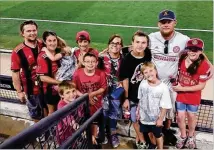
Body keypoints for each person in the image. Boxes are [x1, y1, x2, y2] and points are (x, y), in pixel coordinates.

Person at [149, 9, 213, 135]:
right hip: (154, 82)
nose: (166, 24)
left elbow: (197, 50)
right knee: (154, 110)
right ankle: (155, 132)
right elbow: (134, 47)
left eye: (169, 22)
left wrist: (210, 64)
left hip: (171, 83)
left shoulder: (183, 39)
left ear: (175, 23)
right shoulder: (151, 38)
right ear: (158, 24)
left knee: (170, 110)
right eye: (163, 22)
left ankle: (166, 132)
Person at [173, 38, 210, 149]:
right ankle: (183, 136)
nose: (193, 51)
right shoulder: (182, 59)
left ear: (201, 51)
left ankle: (191, 136)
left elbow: (201, 86)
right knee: (180, 117)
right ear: (187, 50)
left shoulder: (204, 65)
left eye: (196, 49)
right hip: (181, 94)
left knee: (191, 116)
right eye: (190, 49)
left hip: (193, 96)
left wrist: (182, 88)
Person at [119, 30, 152, 149]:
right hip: (133, 95)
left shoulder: (148, 54)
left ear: (147, 44)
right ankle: (142, 141)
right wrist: (126, 98)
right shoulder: (127, 59)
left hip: (147, 95)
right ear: (132, 43)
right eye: (137, 42)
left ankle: (139, 138)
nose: (140, 45)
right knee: (134, 119)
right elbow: (125, 80)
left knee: (145, 118)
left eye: (143, 42)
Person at [11, 20, 45, 122]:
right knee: (36, 115)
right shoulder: (18, 51)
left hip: (46, 88)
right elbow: (15, 73)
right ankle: (40, 135)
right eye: (28, 31)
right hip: (31, 91)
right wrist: (19, 92)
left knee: (48, 113)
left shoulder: (42, 44)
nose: (32, 33)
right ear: (22, 33)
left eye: (34, 30)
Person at [72, 52, 107, 145]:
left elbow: (103, 88)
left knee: (96, 124)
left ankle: (95, 140)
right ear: (83, 62)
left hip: (96, 104)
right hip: (82, 105)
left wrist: (91, 94)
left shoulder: (101, 73)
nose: (90, 64)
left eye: (92, 62)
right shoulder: (77, 73)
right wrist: (85, 97)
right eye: (87, 61)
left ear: (96, 63)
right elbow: (74, 89)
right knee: (84, 124)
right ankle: (86, 141)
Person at [136, 62, 172, 149]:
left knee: (158, 135)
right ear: (143, 75)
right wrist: (138, 111)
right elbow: (140, 99)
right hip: (144, 117)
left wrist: (160, 119)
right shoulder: (143, 84)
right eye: (146, 72)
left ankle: (160, 148)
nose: (149, 74)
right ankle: (153, 145)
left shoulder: (163, 87)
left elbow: (165, 106)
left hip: (156, 119)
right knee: (149, 132)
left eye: (151, 71)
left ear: (156, 71)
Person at [99, 34, 123, 148]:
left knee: (113, 113)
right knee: (103, 112)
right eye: (113, 43)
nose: (115, 45)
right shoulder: (101, 57)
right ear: (109, 45)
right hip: (103, 89)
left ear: (121, 46)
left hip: (117, 91)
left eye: (118, 43)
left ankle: (113, 134)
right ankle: (102, 133)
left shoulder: (124, 58)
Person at [37, 30, 61, 116]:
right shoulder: (42, 57)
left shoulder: (59, 52)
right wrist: (61, 82)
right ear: (44, 42)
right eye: (49, 41)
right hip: (49, 91)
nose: (52, 43)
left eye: (54, 40)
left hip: (61, 89)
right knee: (52, 113)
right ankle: (52, 129)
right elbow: (42, 77)